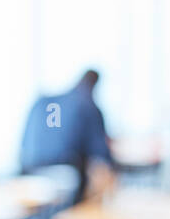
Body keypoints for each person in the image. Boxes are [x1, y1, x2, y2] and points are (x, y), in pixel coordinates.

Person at [19, 69, 115, 203]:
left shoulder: (42, 102)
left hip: (28, 172)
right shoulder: (87, 105)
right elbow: (101, 153)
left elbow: (24, 144)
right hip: (66, 177)